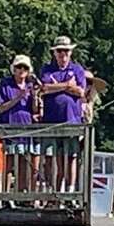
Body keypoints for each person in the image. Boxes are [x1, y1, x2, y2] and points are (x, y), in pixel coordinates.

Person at [39, 36, 88, 194]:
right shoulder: (47, 69)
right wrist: (67, 85)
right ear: (54, 53)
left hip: (72, 121)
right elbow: (44, 88)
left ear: (71, 52)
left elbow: (80, 92)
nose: (63, 54)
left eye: (66, 51)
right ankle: (52, 192)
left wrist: (56, 86)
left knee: (71, 157)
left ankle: (70, 191)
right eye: (60, 51)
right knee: (51, 158)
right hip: (51, 122)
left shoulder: (77, 69)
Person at [0, 54, 41, 198]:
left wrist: (35, 96)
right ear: (13, 69)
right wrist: (18, 97)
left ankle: (21, 196)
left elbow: (34, 110)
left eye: (25, 68)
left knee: (24, 163)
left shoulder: (30, 86)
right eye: (19, 67)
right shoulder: (6, 84)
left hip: (27, 129)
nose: (22, 70)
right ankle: (5, 196)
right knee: (9, 164)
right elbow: (0, 108)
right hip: (10, 128)